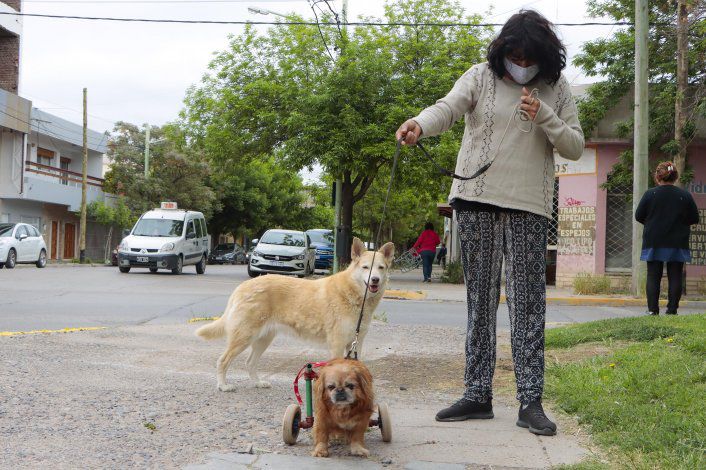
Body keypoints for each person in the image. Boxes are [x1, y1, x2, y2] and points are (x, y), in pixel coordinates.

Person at [395, 10, 584, 436]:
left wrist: (545, 117)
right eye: (514, 55)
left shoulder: (555, 87)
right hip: (475, 199)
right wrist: (419, 125)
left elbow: (574, 146)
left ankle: (530, 401)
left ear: (544, 56)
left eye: (529, 57)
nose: (521, 64)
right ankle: (477, 394)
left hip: (530, 205)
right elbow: (448, 108)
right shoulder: (481, 76)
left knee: (528, 304)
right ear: (502, 52)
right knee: (479, 300)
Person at [635, 162, 699, 316]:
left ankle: (652, 310)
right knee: (675, 274)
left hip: (653, 240)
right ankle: (672, 310)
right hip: (677, 241)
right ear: (675, 177)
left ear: (658, 177)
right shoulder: (684, 195)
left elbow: (638, 216)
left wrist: (652, 223)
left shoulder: (650, 194)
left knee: (653, 275)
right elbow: (694, 218)